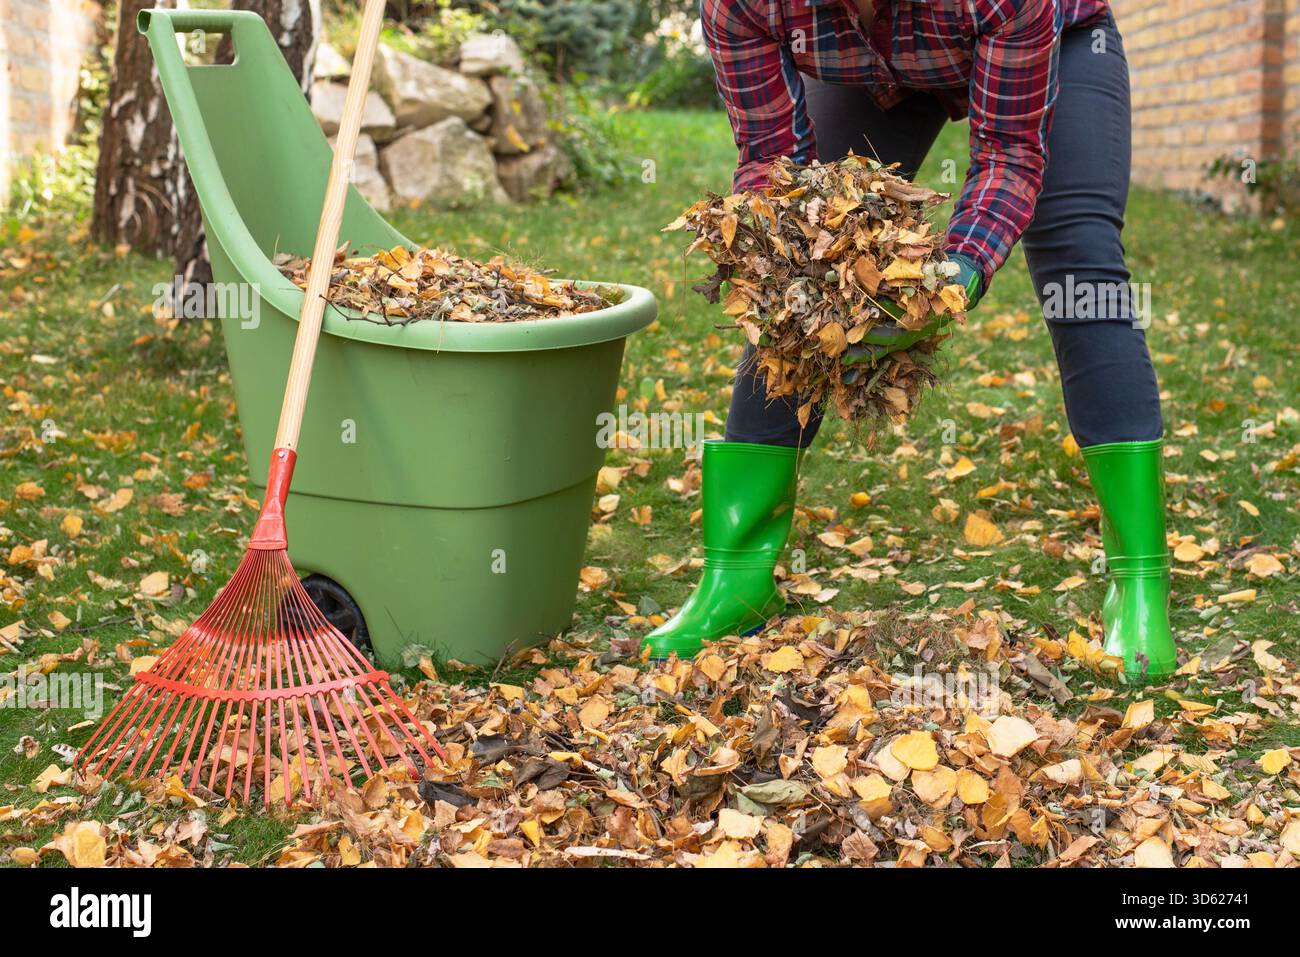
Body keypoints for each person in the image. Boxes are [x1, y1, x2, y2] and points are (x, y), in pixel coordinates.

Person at [643, 0, 1176, 677]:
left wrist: (956, 275)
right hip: (876, 71)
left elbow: (1011, 154)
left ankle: (1138, 583)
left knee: (1079, 254)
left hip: (1059, 46)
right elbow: (775, 169)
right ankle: (737, 577)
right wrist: (799, 259)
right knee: (802, 262)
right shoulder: (747, 5)